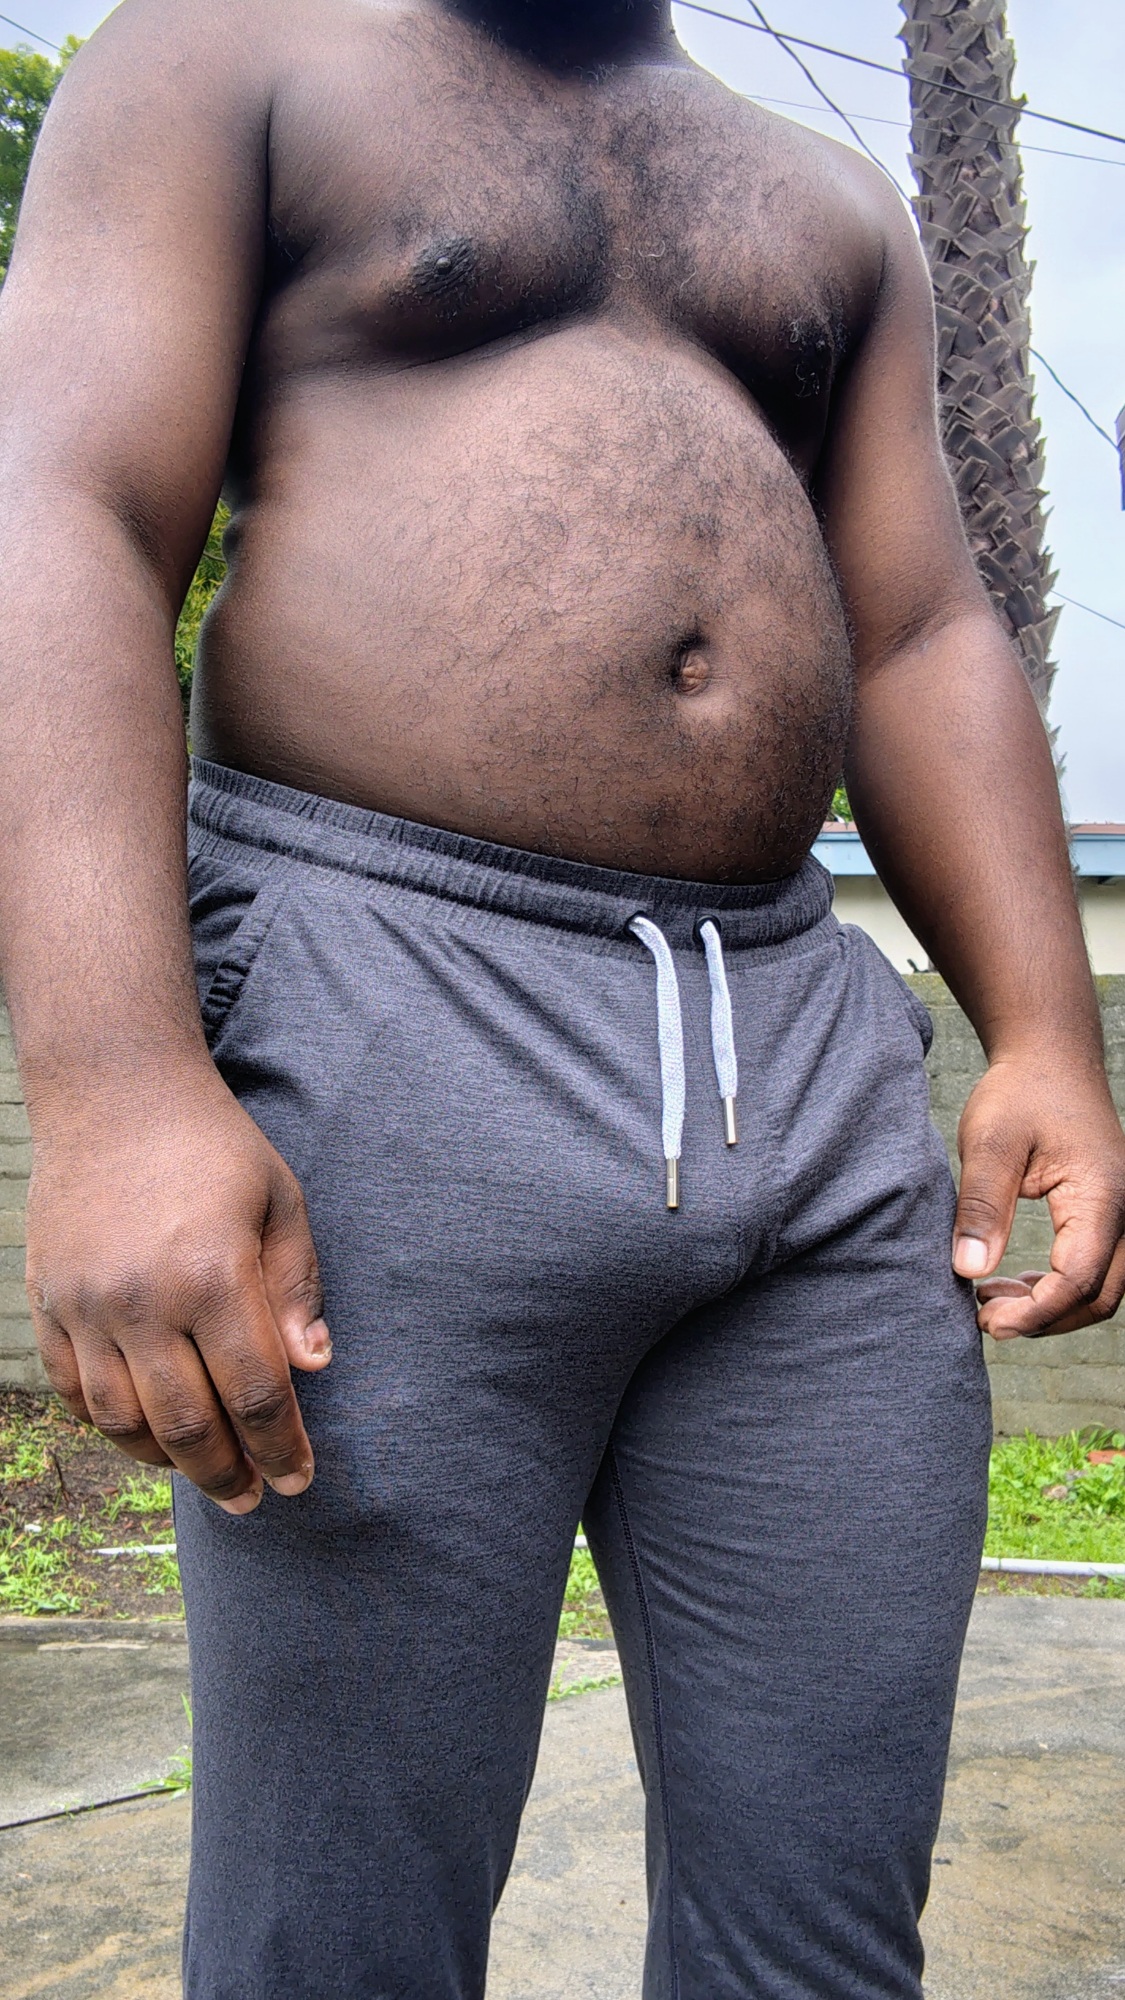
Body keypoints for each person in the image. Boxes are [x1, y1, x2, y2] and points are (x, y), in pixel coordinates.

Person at [1, 0, 1122, 1992]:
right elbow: (60, 502)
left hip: (799, 1055)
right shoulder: (225, 60)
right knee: (336, 1937)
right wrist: (113, 1085)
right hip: (381, 1016)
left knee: (821, 1937)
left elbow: (919, 626)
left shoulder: (828, 201)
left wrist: (1043, 1031)